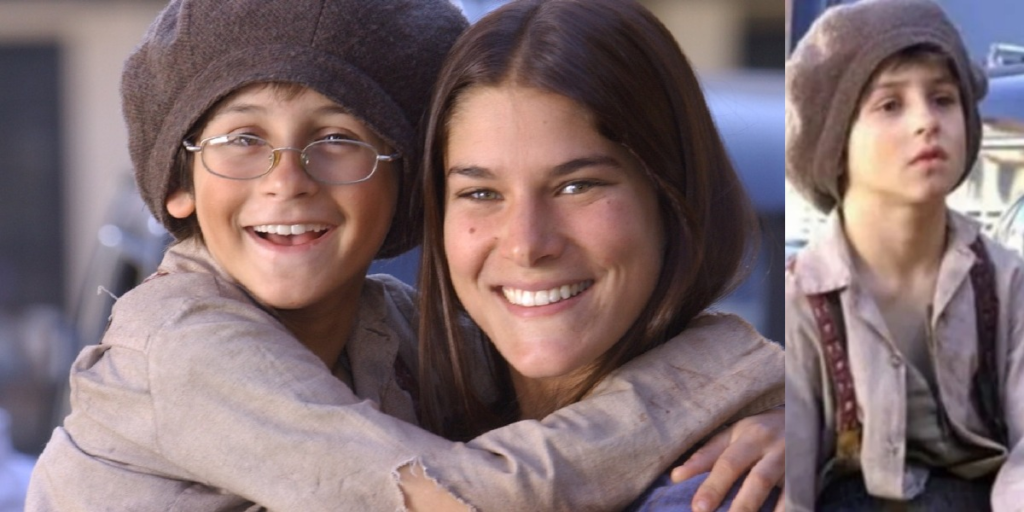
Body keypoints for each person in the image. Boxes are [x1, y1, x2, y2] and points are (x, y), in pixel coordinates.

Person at [27, 0, 785, 511]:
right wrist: (712, 379)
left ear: (401, 187)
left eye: (337, 139)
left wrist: (791, 413)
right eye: (242, 140)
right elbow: (451, 497)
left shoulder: (392, 334)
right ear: (179, 185)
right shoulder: (181, 342)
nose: (286, 182)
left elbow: (570, 391)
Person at [413, 0, 785, 510]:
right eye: (481, 193)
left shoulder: (728, 485)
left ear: (670, 196)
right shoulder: (402, 401)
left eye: (577, 186)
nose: (526, 243)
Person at [785, 0, 1024, 510]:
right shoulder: (802, 299)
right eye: (890, 105)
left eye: (943, 99)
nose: (926, 122)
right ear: (835, 139)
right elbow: (794, 478)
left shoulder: (1007, 282)